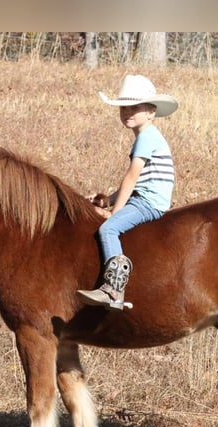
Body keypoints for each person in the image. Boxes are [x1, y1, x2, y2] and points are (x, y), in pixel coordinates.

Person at [77, 74, 178, 311]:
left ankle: (114, 290)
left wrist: (114, 211)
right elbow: (136, 182)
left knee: (108, 228)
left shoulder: (147, 137)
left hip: (148, 202)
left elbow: (132, 177)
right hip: (143, 196)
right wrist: (108, 199)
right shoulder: (148, 136)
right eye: (123, 108)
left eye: (135, 108)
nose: (127, 112)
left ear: (152, 112)